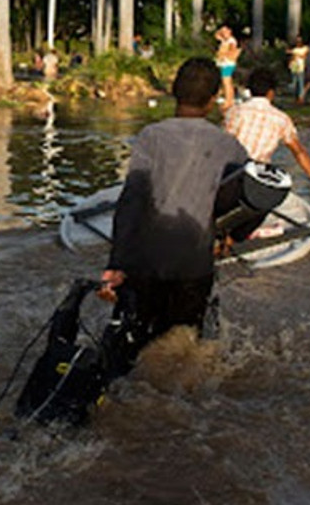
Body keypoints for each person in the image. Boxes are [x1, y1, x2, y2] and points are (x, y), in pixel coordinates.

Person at [99, 58, 249, 362]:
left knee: (128, 346)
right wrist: (231, 236)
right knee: (186, 349)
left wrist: (116, 262)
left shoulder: (150, 136)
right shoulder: (230, 147)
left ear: (172, 92)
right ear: (212, 101)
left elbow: (132, 200)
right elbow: (241, 202)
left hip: (145, 262)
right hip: (194, 265)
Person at [222, 67, 310, 203]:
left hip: (229, 174)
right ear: (271, 92)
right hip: (256, 180)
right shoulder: (281, 119)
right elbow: (299, 152)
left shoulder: (234, 112)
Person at [214, 26, 241, 112]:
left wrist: (224, 54)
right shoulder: (225, 41)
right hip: (224, 64)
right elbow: (216, 35)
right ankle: (229, 99)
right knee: (227, 82)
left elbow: (233, 51)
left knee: (227, 82)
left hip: (227, 64)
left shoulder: (231, 41)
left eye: (225, 32)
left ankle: (228, 100)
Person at [288, 36, 310, 103]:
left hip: (300, 66)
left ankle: (301, 97)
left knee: (301, 82)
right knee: (294, 82)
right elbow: (292, 57)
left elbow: (304, 55)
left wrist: (295, 54)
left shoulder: (305, 48)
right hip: (294, 65)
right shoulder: (294, 49)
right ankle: (295, 96)